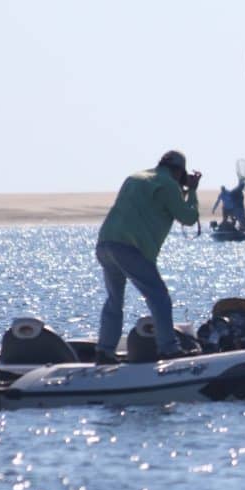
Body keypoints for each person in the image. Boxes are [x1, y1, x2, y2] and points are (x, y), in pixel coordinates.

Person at [94, 150, 201, 364]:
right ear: (179, 172)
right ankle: (169, 349)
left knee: (114, 301)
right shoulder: (168, 185)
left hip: (105, 244)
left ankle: (104, 352)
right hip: (130, 248)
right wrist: (193, 191)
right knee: (159, 297)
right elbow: (189, 218)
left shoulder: (135, 178)